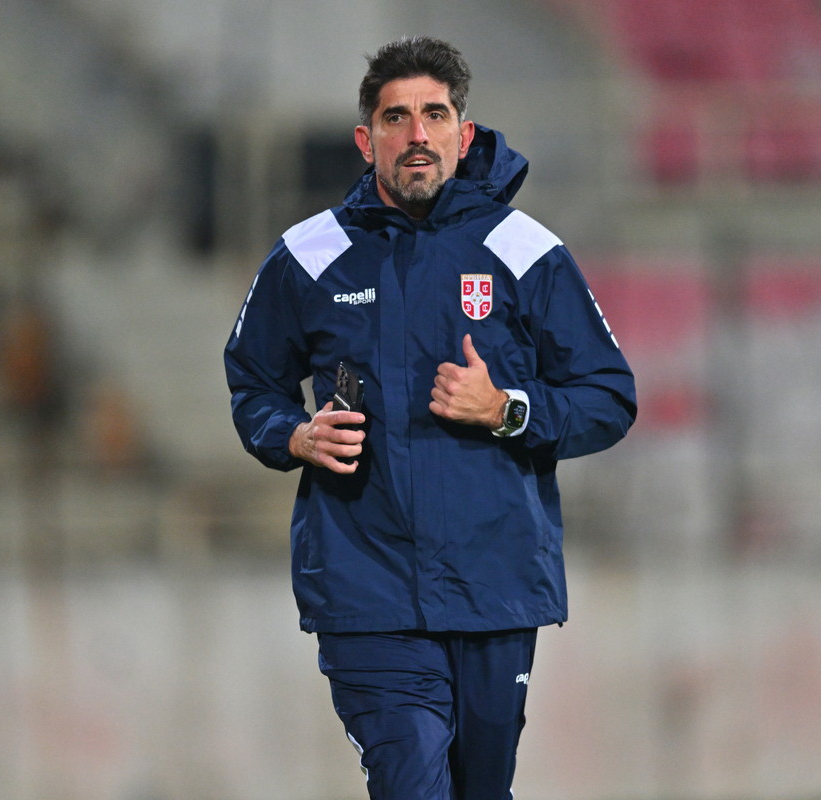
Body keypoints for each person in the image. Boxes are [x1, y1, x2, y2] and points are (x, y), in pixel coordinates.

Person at [224, 36, 636, 799]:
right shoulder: (308, 256)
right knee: (411, 779)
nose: (417, 135)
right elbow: (252, 380)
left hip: (493, 583)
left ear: (463, 133)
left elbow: (610, 396)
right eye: (397, 117)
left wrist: (508, 408)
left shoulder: (525, 251)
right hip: (366, 585)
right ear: (365, 138)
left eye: (435, 115)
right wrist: (293, 433)